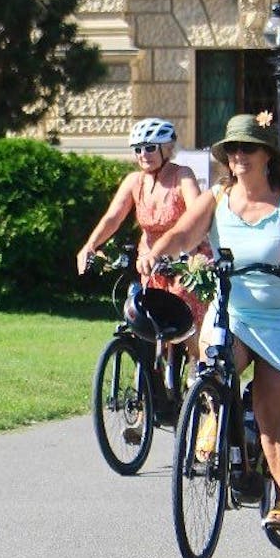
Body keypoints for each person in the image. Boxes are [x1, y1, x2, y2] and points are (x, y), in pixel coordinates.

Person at [142, 111, 280, 534]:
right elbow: (184, 233)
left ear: (267, 155)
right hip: (236, 310)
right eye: (233, 149)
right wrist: (159, 251)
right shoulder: (219, 195)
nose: (240, 155)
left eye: (249, 148)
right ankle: (211, 423)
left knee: (268, 407)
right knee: (212, 365)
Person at [76, 117, 211, 397]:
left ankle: (199, 374)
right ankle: (146, 401)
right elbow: (113, 217)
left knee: (186, 311)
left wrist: (190, 252)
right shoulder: (134, 181)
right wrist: (90, 245)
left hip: (185, 257)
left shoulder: (181, 175)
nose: (143, 155)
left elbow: (197, 212)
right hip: (148, 261)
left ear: (167, 148)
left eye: (149, 148)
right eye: (137, 149)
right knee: (142, 319)